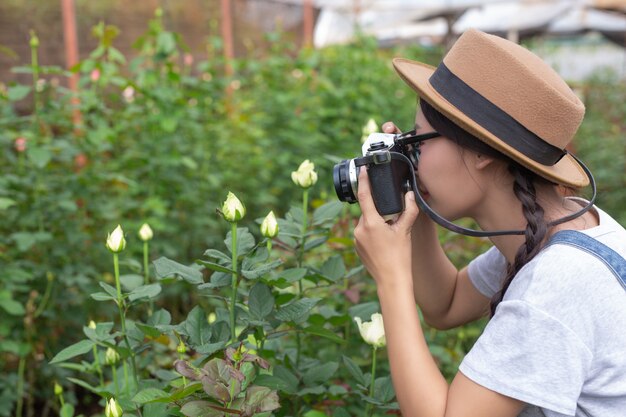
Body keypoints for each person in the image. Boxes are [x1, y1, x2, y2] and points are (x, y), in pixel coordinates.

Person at [353, 28, 626, 417]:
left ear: (481, 152)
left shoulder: (556, 283)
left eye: (421, 141)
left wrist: (391, 275)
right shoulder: (570, 226)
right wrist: (411, 197)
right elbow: (445, 305)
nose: (411, 153)